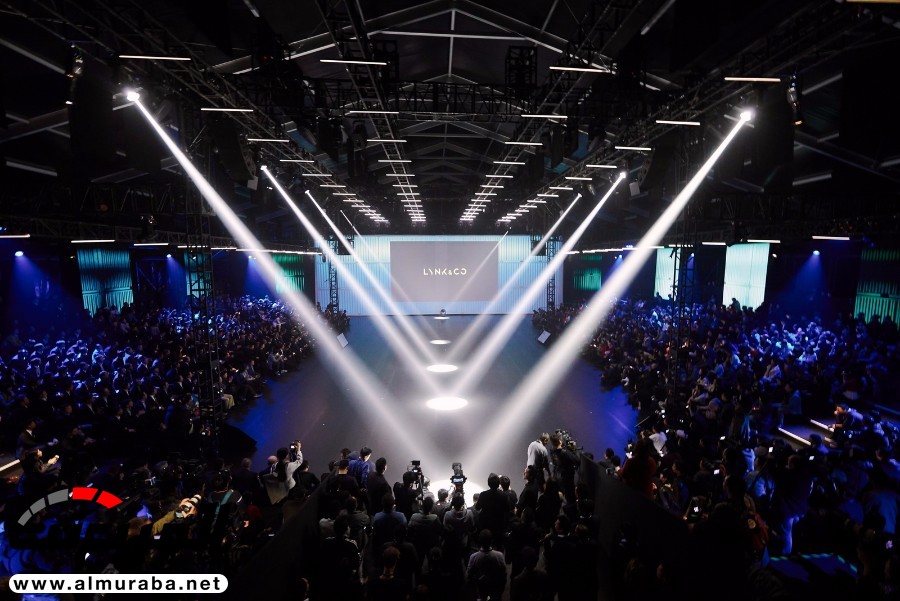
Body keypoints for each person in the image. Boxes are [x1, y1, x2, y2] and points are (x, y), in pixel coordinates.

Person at [466, 529, 507, 601]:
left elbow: (468, 575)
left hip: (480, 591)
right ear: (492, 541)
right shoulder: (499, 555)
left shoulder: (473, 557)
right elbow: (504, 574)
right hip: (495, 590)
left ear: (479, 541)